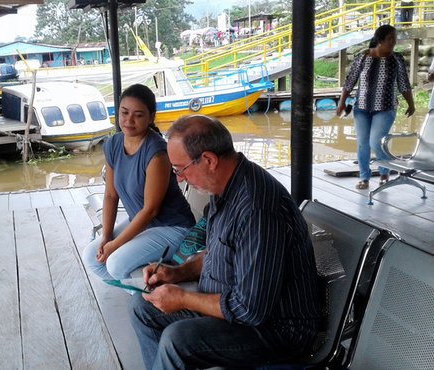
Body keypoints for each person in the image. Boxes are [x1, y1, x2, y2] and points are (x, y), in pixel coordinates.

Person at [129, 115, 321, 370]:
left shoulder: (257, 209)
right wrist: (176, 273)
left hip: (277, 328)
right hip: (231, 305)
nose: (179, 180)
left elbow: (249, 309)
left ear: (208, 160)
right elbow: (219, 253)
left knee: (178, 341)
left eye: (180, 170)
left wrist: (183, 299)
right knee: (143, 306)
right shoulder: (224, 187)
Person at [82, 84, 195, 280]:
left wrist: (114, 245)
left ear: (151, 117)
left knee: (116, 263)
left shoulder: (157, 153)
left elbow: (150, 210)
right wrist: (107, 236)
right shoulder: (113, 144)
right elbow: (110, 195)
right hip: (141, 222)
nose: (129, 120)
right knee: (92, 257)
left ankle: (151, 302)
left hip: (172, 228)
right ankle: (143, 295)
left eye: (138, 115)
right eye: (124, 112)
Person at [337, 24, 415, 190]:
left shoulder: (396, 59)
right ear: (380, 40)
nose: (393, 42)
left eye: (395, 38)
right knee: (362, 144)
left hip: (385, 108)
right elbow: (350, 81)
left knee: (375, 142)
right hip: (362, 108)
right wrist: (342, 102)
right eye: (390, 39)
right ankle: (364, 178)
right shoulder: (363, 57)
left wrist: (411, 103)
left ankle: (385, 171)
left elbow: (403, 84)